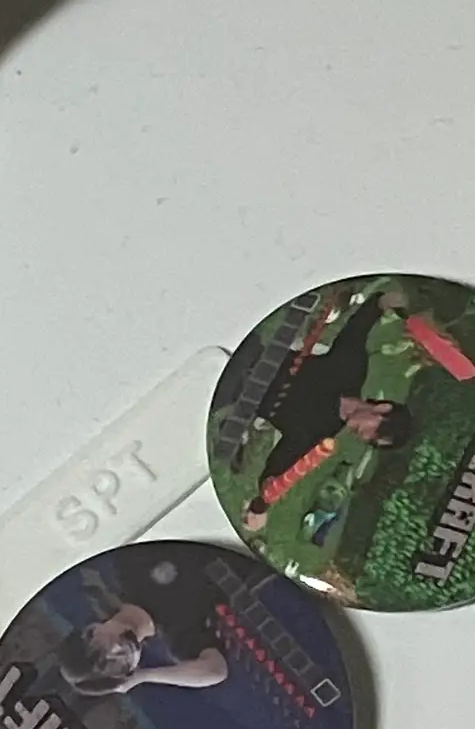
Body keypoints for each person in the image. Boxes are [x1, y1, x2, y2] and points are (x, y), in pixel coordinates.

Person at [239, 288, 416, 532]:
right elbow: (356, 330)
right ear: (382, 408)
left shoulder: (322, 433)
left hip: (240, 395)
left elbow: (281, 463)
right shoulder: (350, 370)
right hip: (256, 358)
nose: (365, 437)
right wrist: (382, 302)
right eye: (375, 432)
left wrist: (263, 502)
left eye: (372, 441)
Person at [58, 549, 230, 697]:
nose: (116, 649)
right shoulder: (179, 639)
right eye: (115, 665)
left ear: (92, 631)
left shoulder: (128, 574)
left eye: (102, 649)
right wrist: (144, 676)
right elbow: (216, 671)